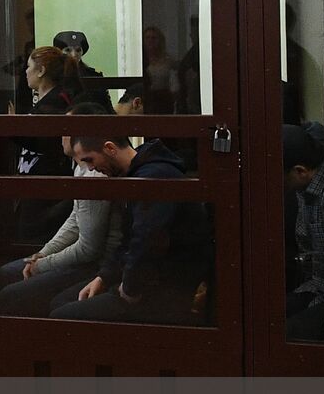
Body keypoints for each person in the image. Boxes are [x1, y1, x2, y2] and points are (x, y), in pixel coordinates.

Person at [50, 134, 212, 324]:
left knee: (62, 316)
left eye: (90, 160)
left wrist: (129, 289)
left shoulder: (151, 177)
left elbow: (148, 241)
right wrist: (103, 277)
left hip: (166, 285)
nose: (91, 168)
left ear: (110, 148)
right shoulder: (136, 175)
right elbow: (128, 240)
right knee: (61, 302)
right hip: (150, 277)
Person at [0, 104, 121, 317]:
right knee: (6, 273)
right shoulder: (82, 167)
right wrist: (44, 253)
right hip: (85, 259)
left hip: (94, 266)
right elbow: (75, 220)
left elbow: (89, 249)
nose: (61, 135)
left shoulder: (96, 174)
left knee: (11, 292)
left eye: (66, 129)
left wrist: (43, 264)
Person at [283, 125, 324, 342]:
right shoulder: (307, 184)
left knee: (284, 341)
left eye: (282, 180)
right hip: (319, 287)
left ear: (300, 171)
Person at [12, 46, 77, 242]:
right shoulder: (46, 100)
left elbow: (44, 142)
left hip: (47, 190)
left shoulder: (56, 103)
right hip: (34, 183)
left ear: (41, 71)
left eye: (29, 66)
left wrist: (12, 130)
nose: (25, 71)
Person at [53, 30, 112, 111]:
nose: (74, 54)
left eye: (78, 50)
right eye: (68, 50)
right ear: (60, 52)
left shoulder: (93, 75)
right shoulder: (53, 75)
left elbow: (107, 107)